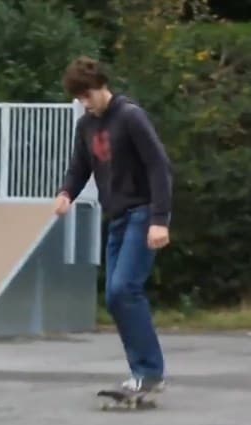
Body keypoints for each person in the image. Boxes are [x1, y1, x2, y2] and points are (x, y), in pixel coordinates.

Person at [53, 55, 173, 393]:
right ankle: (143, 371)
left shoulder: (130, 117)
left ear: (100, 87)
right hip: (118, 217)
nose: (84, 104)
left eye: (86, 96)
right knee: (115, 297)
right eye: (78, 99)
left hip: (144, 212)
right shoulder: (86, 126)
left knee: (124, 289)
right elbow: (80, 167)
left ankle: (149, 372)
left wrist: (159, 220)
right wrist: (67, 193)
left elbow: (158, 167)